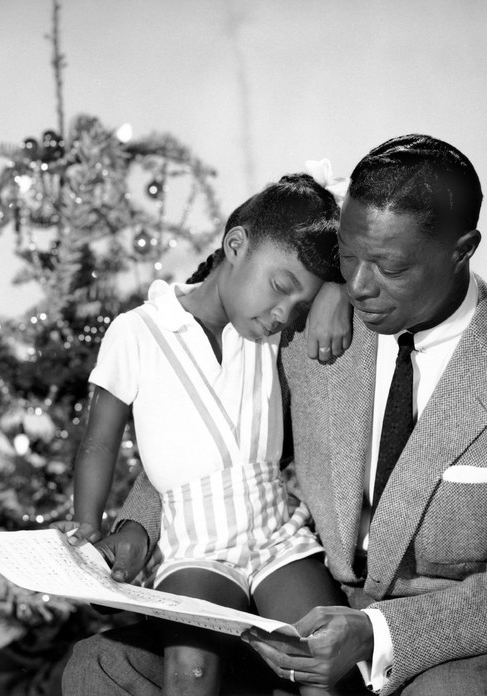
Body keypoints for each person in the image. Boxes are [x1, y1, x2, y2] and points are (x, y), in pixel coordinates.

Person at [63, 135, 487, 696]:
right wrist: (138, 525)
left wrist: (377, 632)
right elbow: (225, 440)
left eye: (388, 266)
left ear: (462, 249)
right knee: (101, 667)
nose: (358, 286)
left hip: (449, 643)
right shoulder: (307, 324)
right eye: (348, 258)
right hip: (299, 601)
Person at [56, 172, 359, 696]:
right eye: (281, 288)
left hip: (276, 530)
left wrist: (334, 288)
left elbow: (341, 257)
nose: (284, 314)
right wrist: (88, 524)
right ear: (235, 245)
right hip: (195, 542)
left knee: (315, 658)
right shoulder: (137, 332)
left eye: (300, 306)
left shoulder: (268, 335)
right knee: (191, 672)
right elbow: (99, 442)